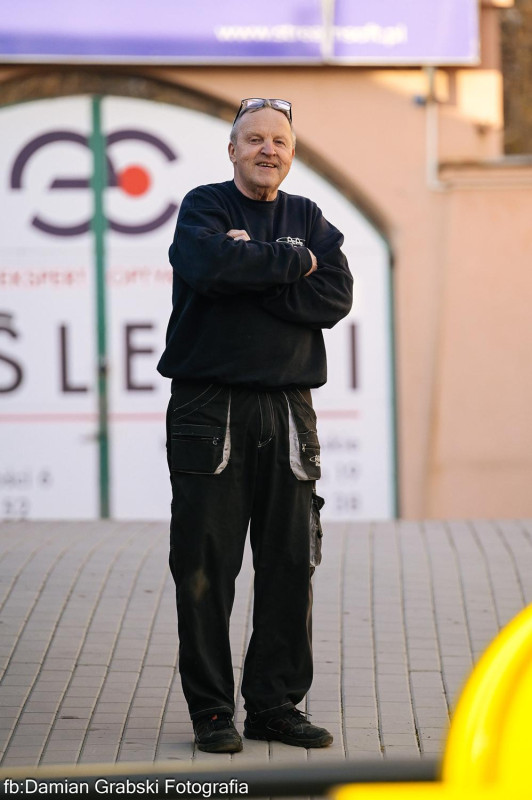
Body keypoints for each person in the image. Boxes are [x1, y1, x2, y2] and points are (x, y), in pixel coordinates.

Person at [157, 97, 353, 753]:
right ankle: (213, 713)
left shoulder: (309, 217)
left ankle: (275, 707)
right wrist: (292, 263)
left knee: (290, 564)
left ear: (290, 153)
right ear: (234, 150)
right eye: (255, 139)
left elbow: (335, 295)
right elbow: (209, 267)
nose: (269, 149)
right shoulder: (204, 208)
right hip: (209, 407)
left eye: (280, 141)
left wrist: (252, 269)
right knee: (205, 568)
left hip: (290, 406)